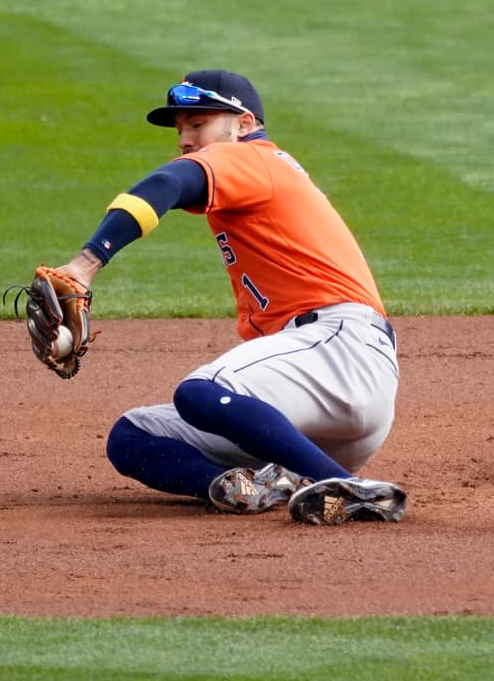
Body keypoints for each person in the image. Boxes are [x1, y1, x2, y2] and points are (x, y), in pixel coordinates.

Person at [48, 69, 406, 524]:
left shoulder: (256, 158)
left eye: (197, 124)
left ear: (242, 123)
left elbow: (166, 185)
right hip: (316, 407)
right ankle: (241, 487)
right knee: (134, 434)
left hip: (338, 351)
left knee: (201, 393)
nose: (184, 139)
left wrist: (84, 265)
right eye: (180, 130)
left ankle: (349, 489)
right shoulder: (256, 173)